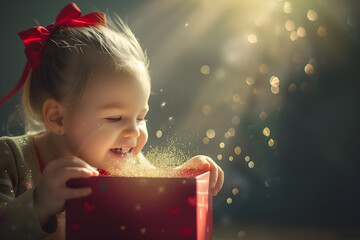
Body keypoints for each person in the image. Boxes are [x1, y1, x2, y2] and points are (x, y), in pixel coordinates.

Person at [0, 3, 224, 239]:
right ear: (58, 117)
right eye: (115, 117)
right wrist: (38, 203)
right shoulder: (11, 159)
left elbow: (155, 195)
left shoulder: (129, 160)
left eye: (140, 117)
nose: (133, 132)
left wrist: (182, 177)